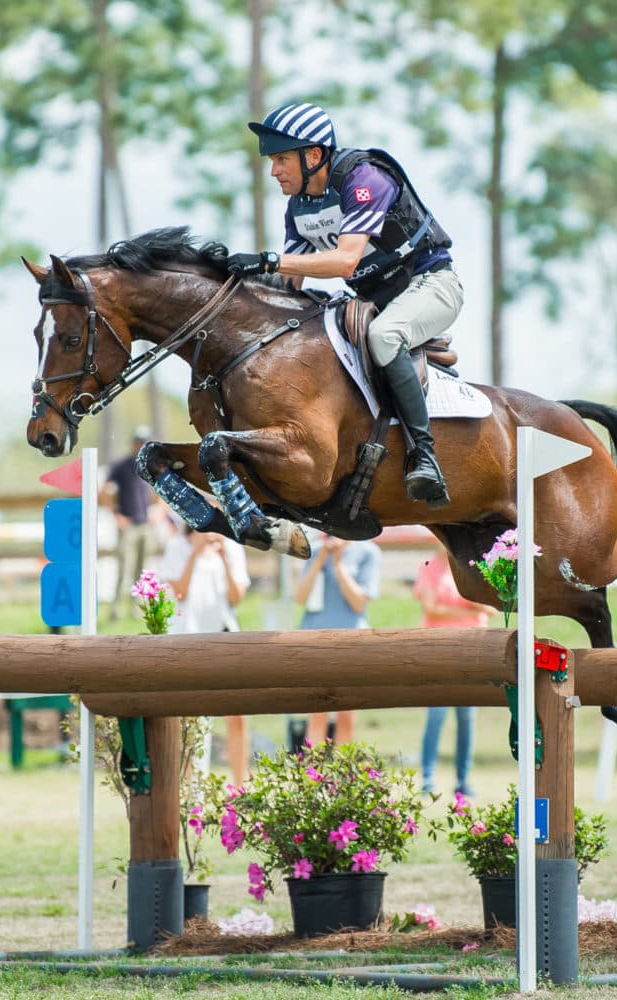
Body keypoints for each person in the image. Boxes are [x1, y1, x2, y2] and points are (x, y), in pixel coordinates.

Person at [228, 102, 461, 509]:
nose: (273, 171)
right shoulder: (299, 207)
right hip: (374, 298)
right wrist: (232, 282)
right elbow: (288, 283)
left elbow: (345, 260)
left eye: (281, 158)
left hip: (432, 284)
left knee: (385, 335)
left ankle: (424, 455)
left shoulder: (364, 179)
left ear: (313, 155)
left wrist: (267, 258)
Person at [158, 523, 252, 783]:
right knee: (190, 715)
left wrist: (222, 557)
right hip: (188, 638)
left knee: (237, 713)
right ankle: (192, 783)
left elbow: (236, 597)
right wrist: (195, 553)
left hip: (224, 636)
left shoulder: (231, 547)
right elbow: (179, 592)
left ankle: (239, 782)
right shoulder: (177, 546)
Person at [415, 550, 494, 797]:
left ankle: (463, 779)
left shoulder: (475, 566)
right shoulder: (428, 566)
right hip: (438, 650)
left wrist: (454, 606)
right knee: (436, 716)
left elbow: (490, 606)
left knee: (467, 718)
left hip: (473, 650)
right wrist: (470, 609)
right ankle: (427, 777)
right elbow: (431, 608)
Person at [293, 533, 382, 745]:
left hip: (352, 641)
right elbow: (300, 598)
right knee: (316, 712)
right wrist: (321, 558)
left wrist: (339, 565)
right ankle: (312, 774)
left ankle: (342, 774)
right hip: (315, 639)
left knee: (347, 715)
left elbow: (359, 603)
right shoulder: (313, 550)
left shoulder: (368, 552)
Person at [106, 427, 157, 622]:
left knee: (143, 570)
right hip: (128, 526)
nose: (141, 445)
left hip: (145, 525)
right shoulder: (121, 466)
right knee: (124, 570)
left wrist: (158, 512)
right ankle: (116, 611)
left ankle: (137, 610)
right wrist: (116, 514)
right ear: (134, 443)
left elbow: (160, 493)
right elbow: (105, 492)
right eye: (139, 441)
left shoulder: (149, 466)